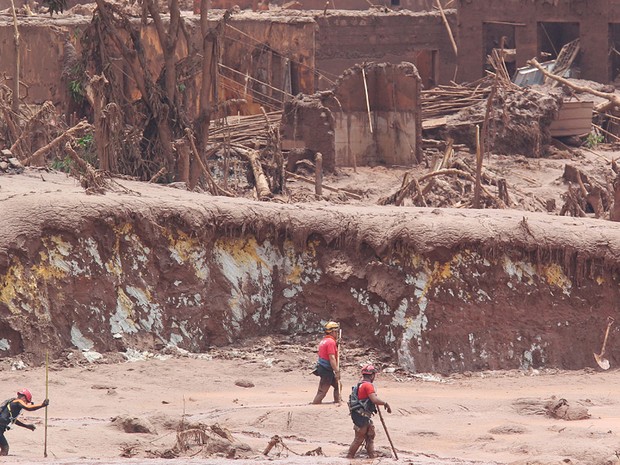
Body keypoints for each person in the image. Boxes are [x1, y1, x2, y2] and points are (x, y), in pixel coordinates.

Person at [346, 365, 391, 459]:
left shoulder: (360, 384)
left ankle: (372, 456)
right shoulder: (368, 385)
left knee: (370, 436)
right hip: (361, 416)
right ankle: (350, 456)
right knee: (359, 438)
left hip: (359, 414)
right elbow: (374, 399)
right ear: (372, 375)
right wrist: (385, 403)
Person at [0, 388, 49, 456]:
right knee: (5, 448)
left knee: (4, 447)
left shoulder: (12, 405)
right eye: (27, 401)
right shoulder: (18, 401)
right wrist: (42, 405)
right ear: (23, 397)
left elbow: (13, 420)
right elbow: (29, 408)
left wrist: (26, 426)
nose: (25, 403)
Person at [311, 321, 340, 404]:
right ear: (333, 332)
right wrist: (336, 370)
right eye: (336, 332)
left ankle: (337, 401)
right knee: (322, 391)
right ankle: (315, 403)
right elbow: (332, 358)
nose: (337, 333)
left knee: (338, 385)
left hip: (323, 367)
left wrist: (336, 344)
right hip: (326, 369)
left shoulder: (325, 341)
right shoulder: (330, 342)